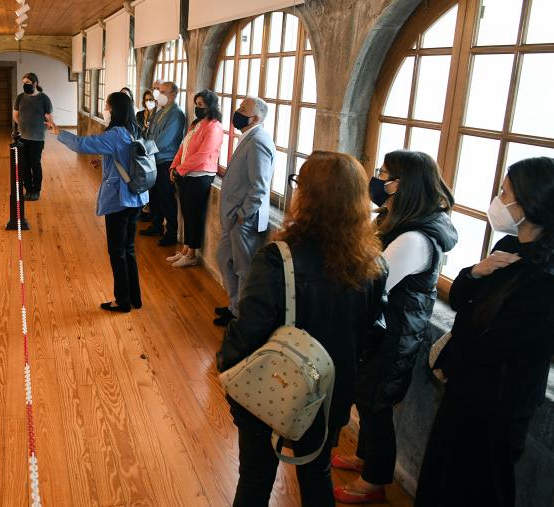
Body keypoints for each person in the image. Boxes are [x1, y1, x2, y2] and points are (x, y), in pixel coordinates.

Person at [217, 151, 387, 507]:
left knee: (256, 475)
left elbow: (248, 330)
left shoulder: (278, 259)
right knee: (317, 471)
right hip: (328, 391)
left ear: (306, 196)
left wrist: (226, 368)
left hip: (271, 386)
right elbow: (372, 332)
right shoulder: (373, 264)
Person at [414, 157, 554, 507]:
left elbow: (490, 342)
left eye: (505, 193)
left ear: (529, 203)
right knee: (441, 480)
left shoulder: (545, 278)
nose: (497, 199)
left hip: (499, 406)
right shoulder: (506, 248)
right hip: (466, 390)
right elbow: (461, 299)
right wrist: (476, 272)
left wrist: (470, 320)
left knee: (480, 489)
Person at [332, 150, 458, 504]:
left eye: (384, 173)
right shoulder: (397, 220)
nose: (378, 178)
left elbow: (373, 282)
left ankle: (375, 480)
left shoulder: (414, 239)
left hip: (395, 335)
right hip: (385, 331)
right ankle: (364, 457)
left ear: (402, 184)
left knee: (377, 405)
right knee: (367, 397)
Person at [46, 92, 149, 313]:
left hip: (120, 200)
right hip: (137, 198)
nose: (105, 109)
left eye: (106, 106)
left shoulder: (116, 133)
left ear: (115, 110)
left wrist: (57, 131)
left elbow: (82, 144)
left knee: (117, 252)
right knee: (129, 249)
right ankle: (134, 298)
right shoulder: (135, 129)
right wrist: (103, 160)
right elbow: (125, 157)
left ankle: (122, 301)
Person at [214, 97, 275, 326]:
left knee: (243, 268)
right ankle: (234, 306)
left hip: (244, 219)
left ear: (256, 118)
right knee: (223, 258)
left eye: (243, 109)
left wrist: (243, 214)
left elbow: (259, 186)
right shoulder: (248, 137)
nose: (237, 112)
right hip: (234, 217)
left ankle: (243, 318)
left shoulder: (259, 141)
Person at [166, 90, 223, 267]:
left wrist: (180, 170)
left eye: (201, 105)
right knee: (187, 213)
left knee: (194, 215)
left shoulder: (214, 127)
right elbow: (183, 148)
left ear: (210, 105)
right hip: (185, 174)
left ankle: (192, 254)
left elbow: (202, 155)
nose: (197, 108)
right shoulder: (196, 124)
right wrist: (174, 167)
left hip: (200, 176)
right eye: (196, 104)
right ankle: (185, 249)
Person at [141, 81, 185, 246]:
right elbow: (150, 131)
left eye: (164, 92)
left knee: (166, 197)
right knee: (154, 194)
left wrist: (145, 149)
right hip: (153, 159)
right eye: (159, 90)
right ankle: (156, 225)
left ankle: (171, 233)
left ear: (173, 95)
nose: (159, 94)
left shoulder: (177, 114)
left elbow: (164, 140)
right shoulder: (160, 111)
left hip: (165, 160)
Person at [13, 72, 53, 201]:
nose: (25, 85)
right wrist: (21, 125)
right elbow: (15, 115)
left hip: (37, 138)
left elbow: (48, 117)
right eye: (24, 83)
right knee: (24, 165)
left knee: (35, 164)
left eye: (28, 83)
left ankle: (36, 190)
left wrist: (47, 126)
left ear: (35, 84)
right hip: (23, 137)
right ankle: (28, 189)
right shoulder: (20, 98)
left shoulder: (43, 98)